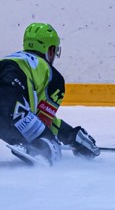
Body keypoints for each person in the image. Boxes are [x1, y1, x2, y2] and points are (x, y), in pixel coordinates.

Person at [0, 22, 100, 165]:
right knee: (52, 147)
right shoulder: (51, 75)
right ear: (50, 50)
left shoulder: (11, 59)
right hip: (11, 103)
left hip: (10, 108)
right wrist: (72, 138)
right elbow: (43, 119)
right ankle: (37, 152)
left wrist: (71, 135)